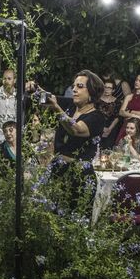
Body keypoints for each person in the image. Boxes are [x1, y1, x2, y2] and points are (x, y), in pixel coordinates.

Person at [44, 69, 106, 211]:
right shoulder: (70, 106)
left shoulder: (97, 117)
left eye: (80, 86)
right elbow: (48, 98)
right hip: (58, 170)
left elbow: (76, 129)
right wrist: (34, 88)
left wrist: (57, 108)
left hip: (79, 176)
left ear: (91, 92)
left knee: (74, 220)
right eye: (73, 86)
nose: (74, 90)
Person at [116, 73, 140, 142]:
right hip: (127, 125)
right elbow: (121, 112)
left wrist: (130, 111)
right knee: (122, 147)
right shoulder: (129, 96)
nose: (136, 82)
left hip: (139, 126)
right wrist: (133, 115)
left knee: (138, 147)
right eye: (136, 80)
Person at [98, 79, 122, 149]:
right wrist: (102, 128)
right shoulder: (97, 100)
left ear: (113, 90)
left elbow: (118, 117)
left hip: (112, 127)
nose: (107, 89)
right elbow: (94, 115)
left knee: (108, 149)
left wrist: (109, 129)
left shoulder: (117, 102)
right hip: (98, 126)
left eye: (109, 88)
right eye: (105, 87)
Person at [0, 69, 16, 145]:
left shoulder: (18, 96)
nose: (6, 81)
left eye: (9, 79)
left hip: (13, 140)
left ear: (14, 80)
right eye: (4, 79)